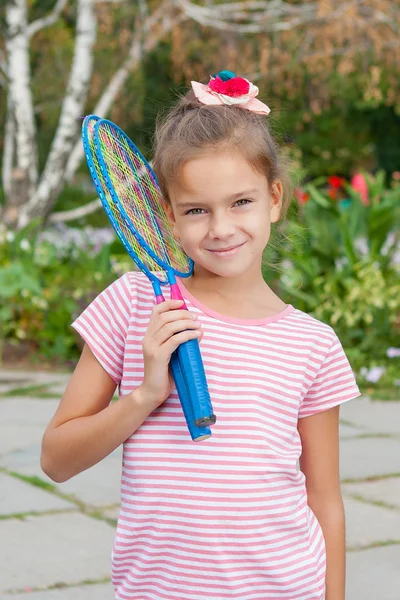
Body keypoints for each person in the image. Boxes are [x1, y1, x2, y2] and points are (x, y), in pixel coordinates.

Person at [41, 70, 361, 600]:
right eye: (195, 210)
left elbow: (325, 500)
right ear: (167, 214)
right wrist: (144, 395)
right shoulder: (133, 304)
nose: (220, 228)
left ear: (274, 199)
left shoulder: (313, 344)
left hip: (284, 588)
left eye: (241, 202)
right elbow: (56, 459)